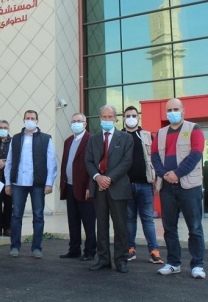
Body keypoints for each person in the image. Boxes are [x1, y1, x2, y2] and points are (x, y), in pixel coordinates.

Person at [152, 98, 206, 279]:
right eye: (169, 110)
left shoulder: (194, 129)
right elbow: (154, 157)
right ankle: (173, 263)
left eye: (176, 109)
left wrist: (177, 173)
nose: (172, 113)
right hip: (166, 187)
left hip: (189, 186)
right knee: (169, 228)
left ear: (183, 111)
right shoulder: (160, 133)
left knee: (195, 227)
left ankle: (197, 265)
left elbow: (196, 154)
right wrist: (165, 174)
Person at [85, 105, 133, 274]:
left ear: (115, 118)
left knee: (120, 226)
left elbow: (126, 162)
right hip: (98, 187)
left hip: (118, 187)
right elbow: (88, 161)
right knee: (102, 225)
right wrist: (98, 177)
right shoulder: (93, 139)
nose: (107, 120)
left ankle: (121, 260)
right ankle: (103, 259)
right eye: (104, 117)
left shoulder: (126, 138)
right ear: (100, 119)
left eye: (110, 117)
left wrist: (108, 178)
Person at [5, 109, 57, 259]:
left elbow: (51, 162)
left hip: (37, 184)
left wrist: (49, 183)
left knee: (38, 215)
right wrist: (8, 183)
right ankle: (15, 246)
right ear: (23, 120)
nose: (30, 120)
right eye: (27, 118)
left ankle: (36, 248)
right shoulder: (16, 138)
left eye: (32, 118)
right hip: (18, 183)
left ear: (37, 121)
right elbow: (9, 162)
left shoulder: (46, 139)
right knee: (16, 216)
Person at [121, 106, 163, 264]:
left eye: (133, 115)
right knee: (129, 219)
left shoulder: (146, 135)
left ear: (138, 117)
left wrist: (157, 181)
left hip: (145, 185)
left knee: (148, 219)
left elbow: (155, 159)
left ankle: (154, 251)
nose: (131, 118)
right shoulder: (119, 136)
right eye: (128, 116)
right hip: (126, 186)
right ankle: (130, 249)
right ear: (123, 118)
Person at [59, 113, 96, 261]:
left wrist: (89, 187)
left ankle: (90, 251)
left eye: (78, 121)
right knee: (73, 221)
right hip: (69, 186)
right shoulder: (68, 141)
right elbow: (65, 163)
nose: (75, 124)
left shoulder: (91, 140)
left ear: (85, 124)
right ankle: (74, 249)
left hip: (84, 188)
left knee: (88, 221)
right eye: (73, 121)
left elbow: (94, 164)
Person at [0, 119, 12, 237]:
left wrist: (5, 162)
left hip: (9, 178)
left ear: (8, 129)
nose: (3, 130)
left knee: (9, 203)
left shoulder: (13, 142)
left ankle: (8, 227)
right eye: (0, 128)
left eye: (5, 128)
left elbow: (17, 157)